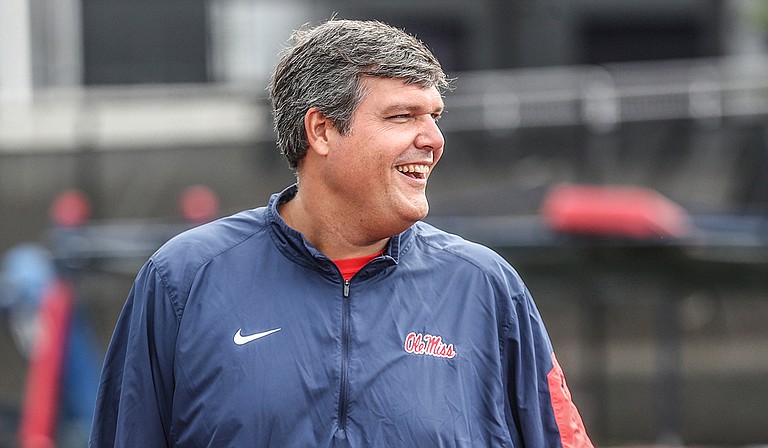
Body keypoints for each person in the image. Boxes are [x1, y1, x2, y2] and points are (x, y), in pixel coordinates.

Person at [89, 18, 593, 447]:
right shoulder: (183, 279)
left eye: (434, 117)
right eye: (402, 116)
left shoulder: (485, 286)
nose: (433, 140)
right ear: (322, 131)